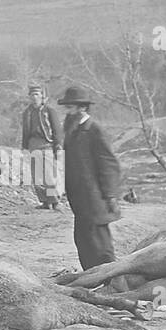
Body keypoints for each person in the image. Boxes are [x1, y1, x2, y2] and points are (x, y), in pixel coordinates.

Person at [58, 85, 122, 270]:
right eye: (67, 108)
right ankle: (92, 278)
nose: (67, 112)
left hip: (95, 198)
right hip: (79, 199)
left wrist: (110, 196)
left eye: (70, 108)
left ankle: (111, 281)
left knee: (100, 245)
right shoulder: (73, 130)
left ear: (82, 108)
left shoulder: (94, 130)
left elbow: (109, 165)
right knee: (83, 241)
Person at [19, 84, 62, 210]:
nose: (34, 97)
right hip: (33, 144)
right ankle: (44, 201)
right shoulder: (27, 112)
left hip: (47, 144)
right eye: (32, 95)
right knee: (37, 175)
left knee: (49, 175)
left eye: (37, 94)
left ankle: (54, 201)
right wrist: (25, 147)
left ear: (42, 96)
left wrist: (58, 145)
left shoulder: (49, 111)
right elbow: (25, 131)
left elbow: (57, 130)